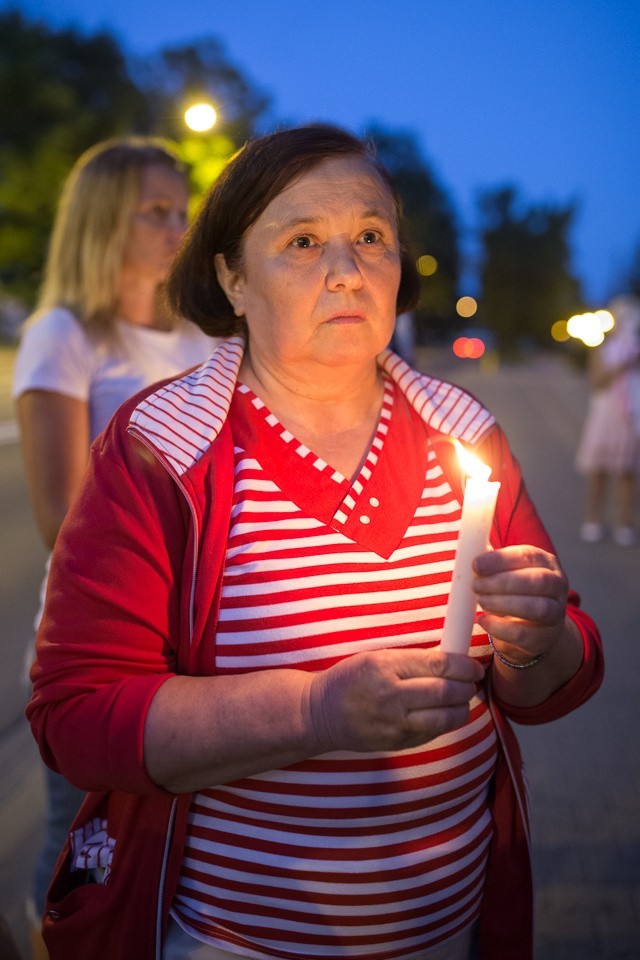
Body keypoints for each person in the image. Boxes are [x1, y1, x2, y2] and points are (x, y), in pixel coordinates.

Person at [26, 125, 603, 960]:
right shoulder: (162, 446)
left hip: (454, 927)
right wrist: (314, 710)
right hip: (232, 939)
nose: (347, 269)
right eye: (302, 241)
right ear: (232, 277)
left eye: (371, 236)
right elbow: (76, 718)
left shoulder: (462, 430)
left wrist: (538, 639)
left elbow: (555, 679)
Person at [13, 136, 218, 958]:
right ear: (104, 222)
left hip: (197, 641)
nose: (179, 227)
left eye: (183, 210)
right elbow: (62, 517)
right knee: (80, 855)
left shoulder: (203, 339)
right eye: (156, 211)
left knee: (171, 855)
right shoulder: (64, 336)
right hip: (105, 643)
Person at [575, 294, 640, 546]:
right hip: (604, 414)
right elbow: (596, 381)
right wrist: (624, 364)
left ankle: (623, 522)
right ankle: (593, 519)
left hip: (630, 416)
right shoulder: (603, 348)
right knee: (598, 471)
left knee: (627, 470)